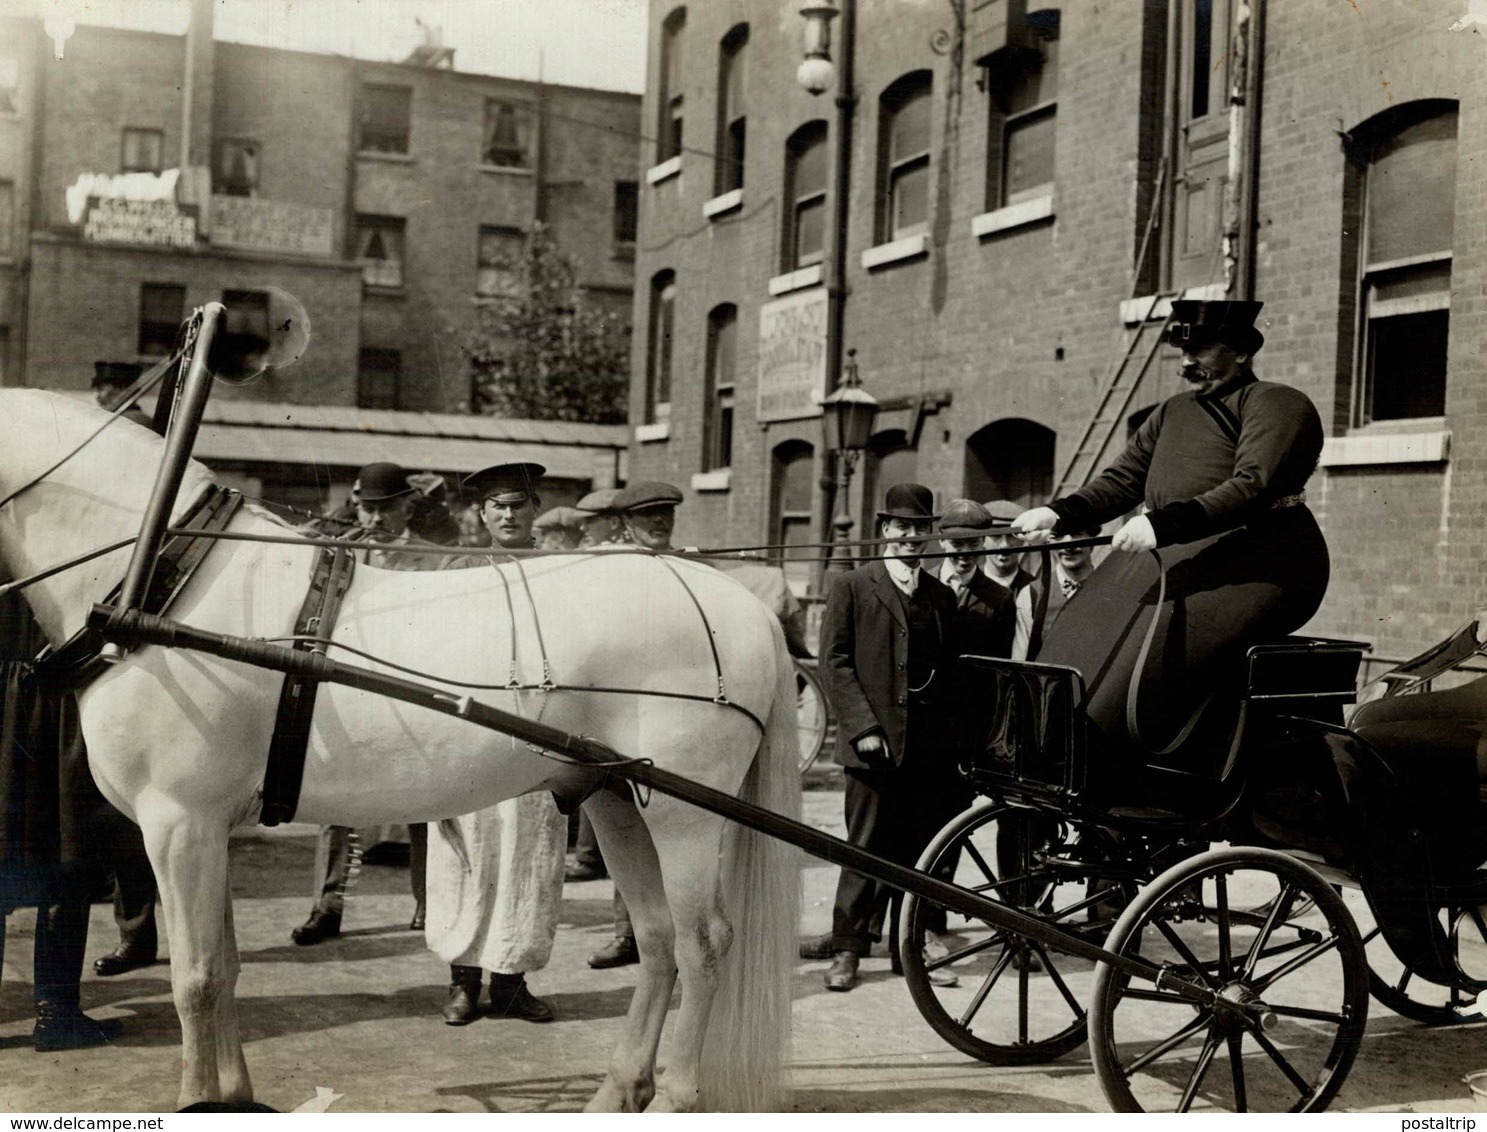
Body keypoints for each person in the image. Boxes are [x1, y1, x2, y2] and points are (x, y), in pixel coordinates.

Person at [1011, 299, 1328, 775]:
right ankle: (1055, 756)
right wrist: (1058, 513)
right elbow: (1122, 481)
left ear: (1241, 351)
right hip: (1175, 556)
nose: (1185, 363)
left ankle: (1144, 775)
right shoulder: (1173, 411)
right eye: (1182, 351)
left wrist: (1163, 524)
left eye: (1199, 350)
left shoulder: (1277, 402)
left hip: (1263, 561)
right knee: (1078, 628)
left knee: (1150, 654)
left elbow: (1251, 485)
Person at [805, 483, 960, 992]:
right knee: (865, 847)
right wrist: (864, 727)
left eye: (921, 528)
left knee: (920, 851)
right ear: (885, 530)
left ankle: (906, 948)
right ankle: (848, 949)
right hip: (872, 746)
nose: (912, 537)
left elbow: (950, 671)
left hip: (926, 749)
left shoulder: (940, 596)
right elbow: (835, 662)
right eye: (903, 527)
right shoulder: (853, 585)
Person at [428, 461, 567, 1024]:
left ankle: (511, 981)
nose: (508, 514)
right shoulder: (458, 569)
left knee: (530, 851)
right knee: (471, 850)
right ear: (481, 514)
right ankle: (463, 981)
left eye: (518, 504)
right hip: (473, 730)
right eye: (497, 506)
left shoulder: (563, 572)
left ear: (535, 509)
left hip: (539, 730)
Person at [291, 462, 450, 946]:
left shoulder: (437, 561)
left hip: (413, 694)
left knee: (427, 800)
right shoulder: (338, 556)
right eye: (367, 508)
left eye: (387, 509)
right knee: (336, 800)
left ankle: (431, 901)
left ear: (409, 506)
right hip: (346, 693)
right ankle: (328, 905)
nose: (376, 519)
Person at [2, 580, 126, 1050]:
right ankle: (56, 1014)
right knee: (67, 861)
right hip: (55, 705)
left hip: (24, 705)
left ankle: (58, 1013)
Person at [582, 481, 686, 970]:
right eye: (649, 517)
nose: (659, 523)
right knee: (624, 828)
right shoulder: (612, 575)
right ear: (626, 524)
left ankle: (688, 935)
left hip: (679, 726)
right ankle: (629, 933)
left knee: (686, 835)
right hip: (619, 724)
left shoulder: (692, 572)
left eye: (666, 514)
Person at [88, 361, 162, 979]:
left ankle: (137, 933)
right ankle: (132, 929)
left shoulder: (140, 454)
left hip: (130, 653)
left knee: (131, 809)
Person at [982, 500, 1042, 661]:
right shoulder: (969, 585)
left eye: (1012, 536)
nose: (1004, 545)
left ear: (1023, 539)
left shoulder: (1034, 590)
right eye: (995, 536)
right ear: (982, 540)